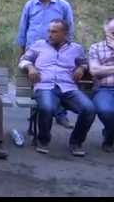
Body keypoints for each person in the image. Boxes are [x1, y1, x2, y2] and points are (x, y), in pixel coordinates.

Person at [19, 19, 95, 156]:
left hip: (68, 88)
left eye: (54, 31)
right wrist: (30, 67)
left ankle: (76, 142)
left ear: (64, 33)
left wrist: (81, 68)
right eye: (49, 31)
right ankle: (43, 140)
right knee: (47, 107)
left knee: (89, 109)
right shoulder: (39, 45)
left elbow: (84, 63)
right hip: (45, 86)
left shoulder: (76, 49)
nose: (49, 34)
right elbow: (24, 60)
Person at [17, 0, 75, 128]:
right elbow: (23, 29)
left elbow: (69, 29)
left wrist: (65, 51)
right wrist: (22, 53)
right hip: (33, 52)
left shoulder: (63, 6)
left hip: (55, 51)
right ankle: (35, 121)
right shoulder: (30, 5)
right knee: (37, 85)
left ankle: (59, 113)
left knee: (53, 81)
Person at [88, 17, 114, 153]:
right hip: (104, 89)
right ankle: (110, 137)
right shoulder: (96, 48)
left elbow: (101, 69)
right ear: (106, 32)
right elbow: (95, 71)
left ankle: (110, 134)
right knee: (106, 111)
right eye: (113, 33)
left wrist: (107, 69)